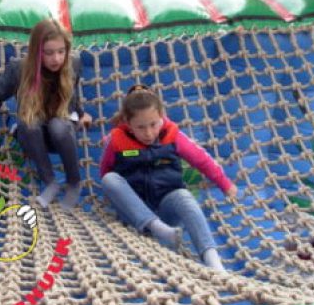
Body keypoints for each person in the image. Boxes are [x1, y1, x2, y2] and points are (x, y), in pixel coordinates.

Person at [100, 85, 237, 271]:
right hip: (134, 213)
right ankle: (157, 229)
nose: (148, 133)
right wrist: (118, 197)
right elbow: (105, 170)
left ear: (161, 117)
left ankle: (214, 262)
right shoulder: (117, 140)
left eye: (153, 124)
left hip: (166, 208)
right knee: (109, 179)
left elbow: (201, 159)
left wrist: (224, 183)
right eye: (140, 127)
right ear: (128, 123)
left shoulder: (172, 135)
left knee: (184, 196)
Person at [0, 19, 91, 210]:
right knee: (29, 122)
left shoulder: (73, 64)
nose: (56, 59)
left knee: (57, 125)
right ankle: (50, 182)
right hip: (33, 136)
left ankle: (74, 183)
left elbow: (71, 94)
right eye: (48, 53)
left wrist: (81, 113)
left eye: (61, 51)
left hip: (60, 130)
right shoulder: (19, 69)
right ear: (36, 52)